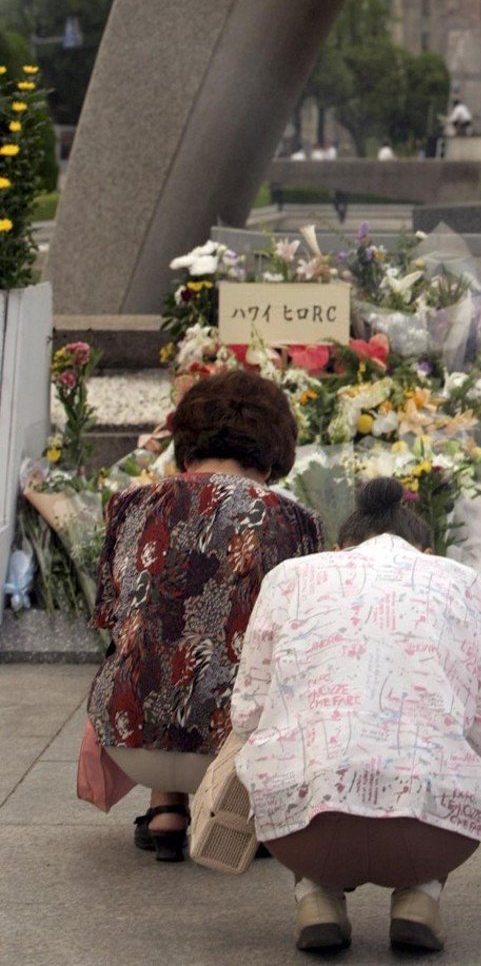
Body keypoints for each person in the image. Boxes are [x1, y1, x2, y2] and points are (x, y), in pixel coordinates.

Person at [232, 476, 481, 954]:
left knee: (289, 748)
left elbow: (247, 712)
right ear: (426, 551)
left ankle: (315, 897)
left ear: (340, 549)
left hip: (303, 832)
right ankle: (419, 897)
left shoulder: (289, 577)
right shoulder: (462, 581)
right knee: (448, 755)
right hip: (430, 833)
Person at [87, 369, 322, 862]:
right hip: (232, 751)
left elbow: (112, 613)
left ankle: (166, 810)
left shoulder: (129, 505)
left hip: (129, 737)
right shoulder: (293, 520)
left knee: (152, 636)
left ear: (186, 440)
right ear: (274, 448)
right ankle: (240, 809)